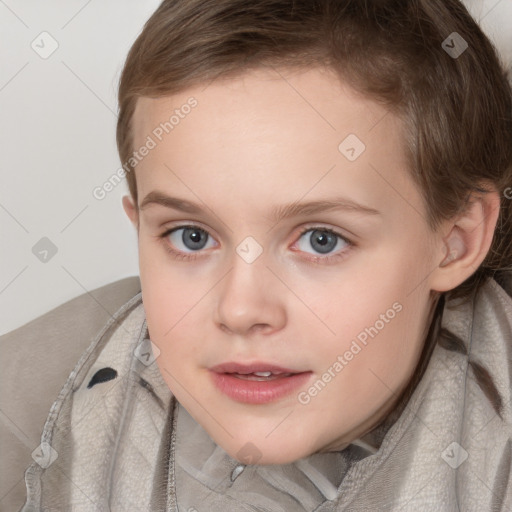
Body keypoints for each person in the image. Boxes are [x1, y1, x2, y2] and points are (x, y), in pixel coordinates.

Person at [2, 0, 511, 510]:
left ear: (456, 240)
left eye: (321, 240)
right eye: (191, 236)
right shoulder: (32, 397)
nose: (240, 309)